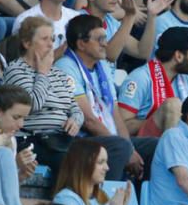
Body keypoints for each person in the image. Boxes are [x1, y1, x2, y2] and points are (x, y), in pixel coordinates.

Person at [58, 14, 150, 180]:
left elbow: (115, 114)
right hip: (78, 140)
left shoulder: (102, 67)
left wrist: (130, 148)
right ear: (81, 44)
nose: (106, 44)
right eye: (99, 39)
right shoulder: (66, 67)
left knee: (155, 146)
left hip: (106, 136)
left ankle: (146, 202)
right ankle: (107, 201)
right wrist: (126, 150)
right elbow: (88, 121)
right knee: (119, 147)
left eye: (105, 38)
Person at [3, 16, 84, 176]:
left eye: (52, 39)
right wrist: (42, 73)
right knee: (71, 161)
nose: (50, 44)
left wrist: (75, 120)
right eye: (45, 39)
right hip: (33, 139)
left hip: (61, 139)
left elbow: (75, 108)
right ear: (27, 43)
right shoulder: (16, 70)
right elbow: (32, 105)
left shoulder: (58, 73)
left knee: (102, 151)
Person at [117, 26, 188, 137]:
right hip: (140, 144)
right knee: (173, 105)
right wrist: (160, 120)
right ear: (178, 56)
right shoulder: (140, 77)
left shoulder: (184, 81)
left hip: (173, 142)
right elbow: (122, 126)